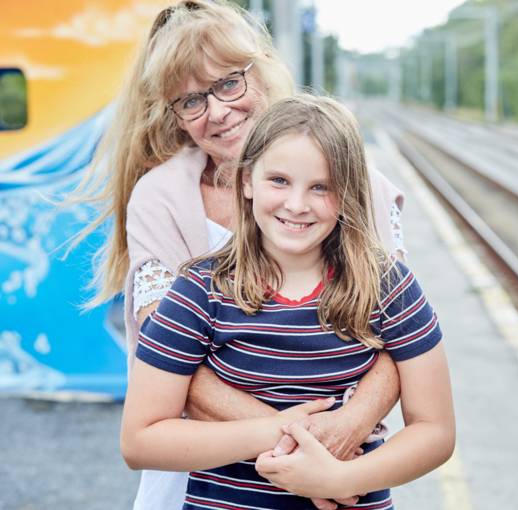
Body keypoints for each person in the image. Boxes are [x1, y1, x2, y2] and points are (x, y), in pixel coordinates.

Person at [73, 1, 405, 508]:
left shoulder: (353, 179)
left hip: (342, 473)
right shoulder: (161, 198)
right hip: (208, 477)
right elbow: (169, 361)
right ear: (176, 117)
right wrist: (292, 437)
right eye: (191, 101)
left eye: (229, 82)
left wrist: (342, 437)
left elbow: (398, 337)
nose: (218, 112)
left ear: (263, 70)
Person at [120, 93, 455, 509]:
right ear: (246, 181)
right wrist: (280, 431)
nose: (297, 205)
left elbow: (435, 430)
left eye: (321, 187)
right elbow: (140, 439)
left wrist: (340, 477)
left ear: (349, 192)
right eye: (279, 180)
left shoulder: (390, 287)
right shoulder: (198, 291)